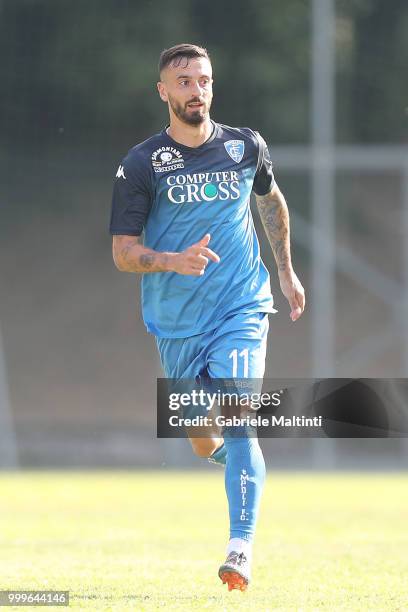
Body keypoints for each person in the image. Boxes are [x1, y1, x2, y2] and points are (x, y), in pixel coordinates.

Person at [109, 43, 305, 592]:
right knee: (199, 437)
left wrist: (285, 272)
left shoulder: (245, 147)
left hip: (242, 305)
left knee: (240, 414)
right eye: (185, 81)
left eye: (205, 80)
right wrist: (172, 260)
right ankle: (244, 470)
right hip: (175, 321)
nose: (197, 90)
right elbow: (124, 252)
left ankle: (239, 549)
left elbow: (271, 200)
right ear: (164, 92)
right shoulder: (141, 163)